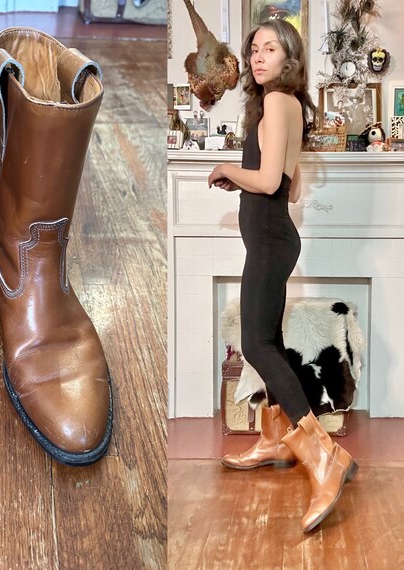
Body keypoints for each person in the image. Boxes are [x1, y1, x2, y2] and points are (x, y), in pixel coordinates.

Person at [207, 19, 358, 533]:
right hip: (277, 236)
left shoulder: (274, 103)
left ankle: (323, 457)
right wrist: (246, 182)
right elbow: (288, 190)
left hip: (270, 243)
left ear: (289, 54)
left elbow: (270, 181)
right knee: (267, 337)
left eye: (269, 48)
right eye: (254, 49)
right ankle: (274, 438)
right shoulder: (289, 104)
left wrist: (231, 171)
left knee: (256, 344)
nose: (257, 56)